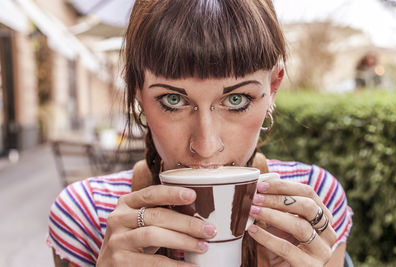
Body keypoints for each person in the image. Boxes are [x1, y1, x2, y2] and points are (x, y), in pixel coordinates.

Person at [47, 0, 353, 266]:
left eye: (237, 100)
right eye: (173, 100)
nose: (206, 147)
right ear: (138, 93)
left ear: (273, 88)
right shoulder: (85, 215)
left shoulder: (314, 202)